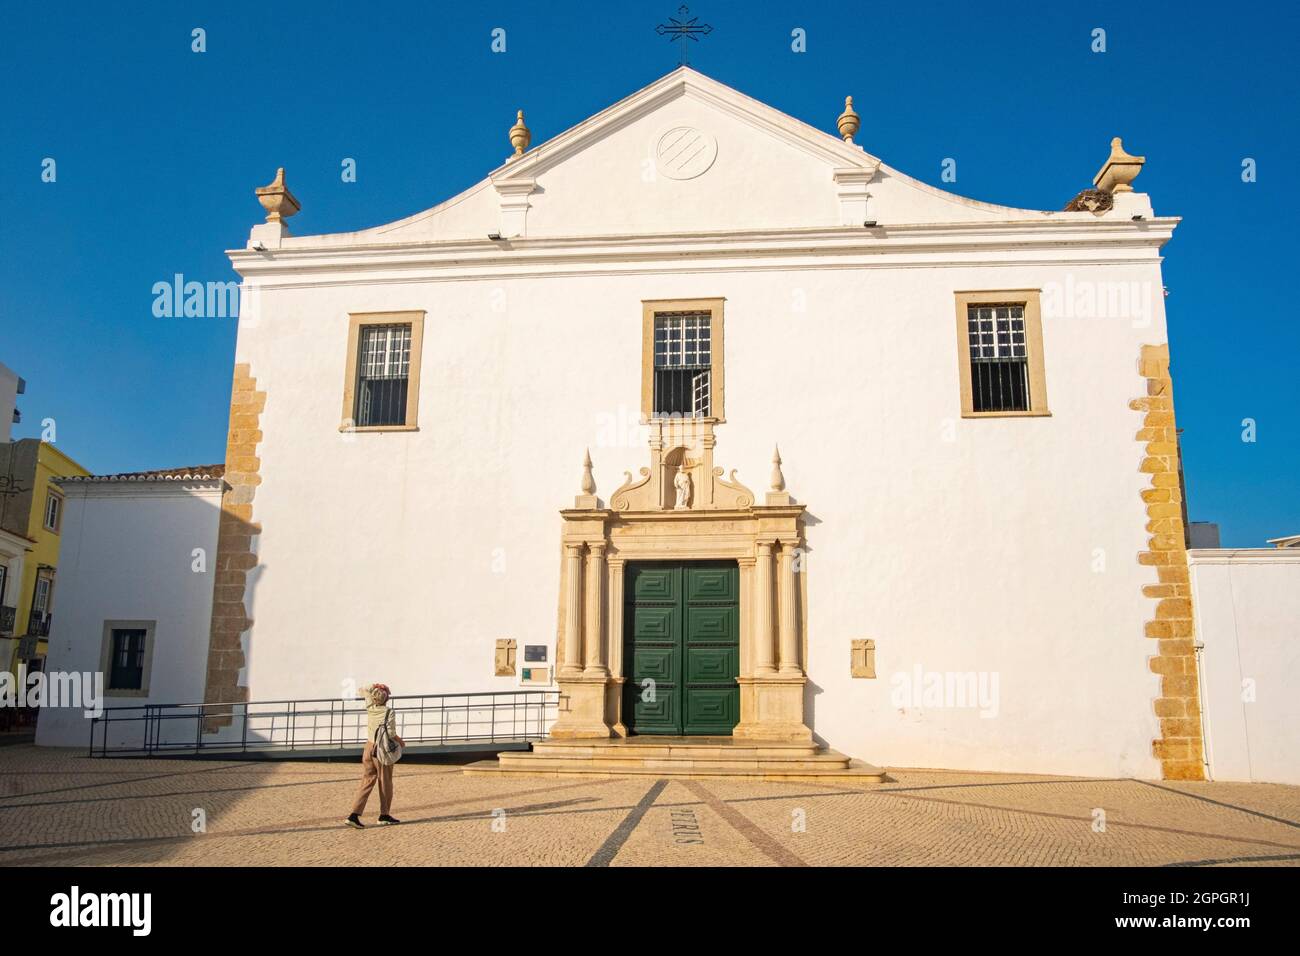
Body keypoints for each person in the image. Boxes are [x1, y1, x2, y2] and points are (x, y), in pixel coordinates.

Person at [345, 683, 404, 828]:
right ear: (386, 698)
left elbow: (362, 690)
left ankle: (354, 814)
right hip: (381, 750)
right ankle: (384, 815)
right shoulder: (389, 712)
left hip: (368, 748)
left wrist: (375, 686)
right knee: (385, 782)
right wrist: (400, 741)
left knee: (367, 780)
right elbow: (390, 733)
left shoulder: (370, 707)